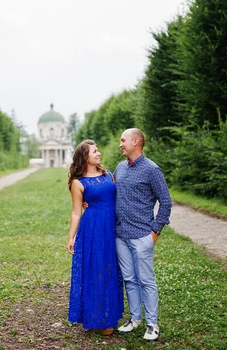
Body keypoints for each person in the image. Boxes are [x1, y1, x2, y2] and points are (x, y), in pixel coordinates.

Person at [114, 128, 172, 341]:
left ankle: (152, 324)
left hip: (142, 235)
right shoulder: (119, 168)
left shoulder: (151, 170)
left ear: (135, 141)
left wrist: (156, 230)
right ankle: (134, 319)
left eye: (123, 140)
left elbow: (166, 202)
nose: (120, 144)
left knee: (146, 280)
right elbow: (110, 193)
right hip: (120, 235)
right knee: (129, 279)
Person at [67, 139, 124, 335]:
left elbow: (117, 198)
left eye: (98, 150)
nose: (98, 154)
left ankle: (110, 313)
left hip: (112, 226)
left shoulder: (108, 174)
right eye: (94, 151)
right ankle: (98, 319)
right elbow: (76, 212)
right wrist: (71, 237)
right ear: (85, 157)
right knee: (96, 269)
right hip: (93, 228)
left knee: (111, 269)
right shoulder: (78, 183)